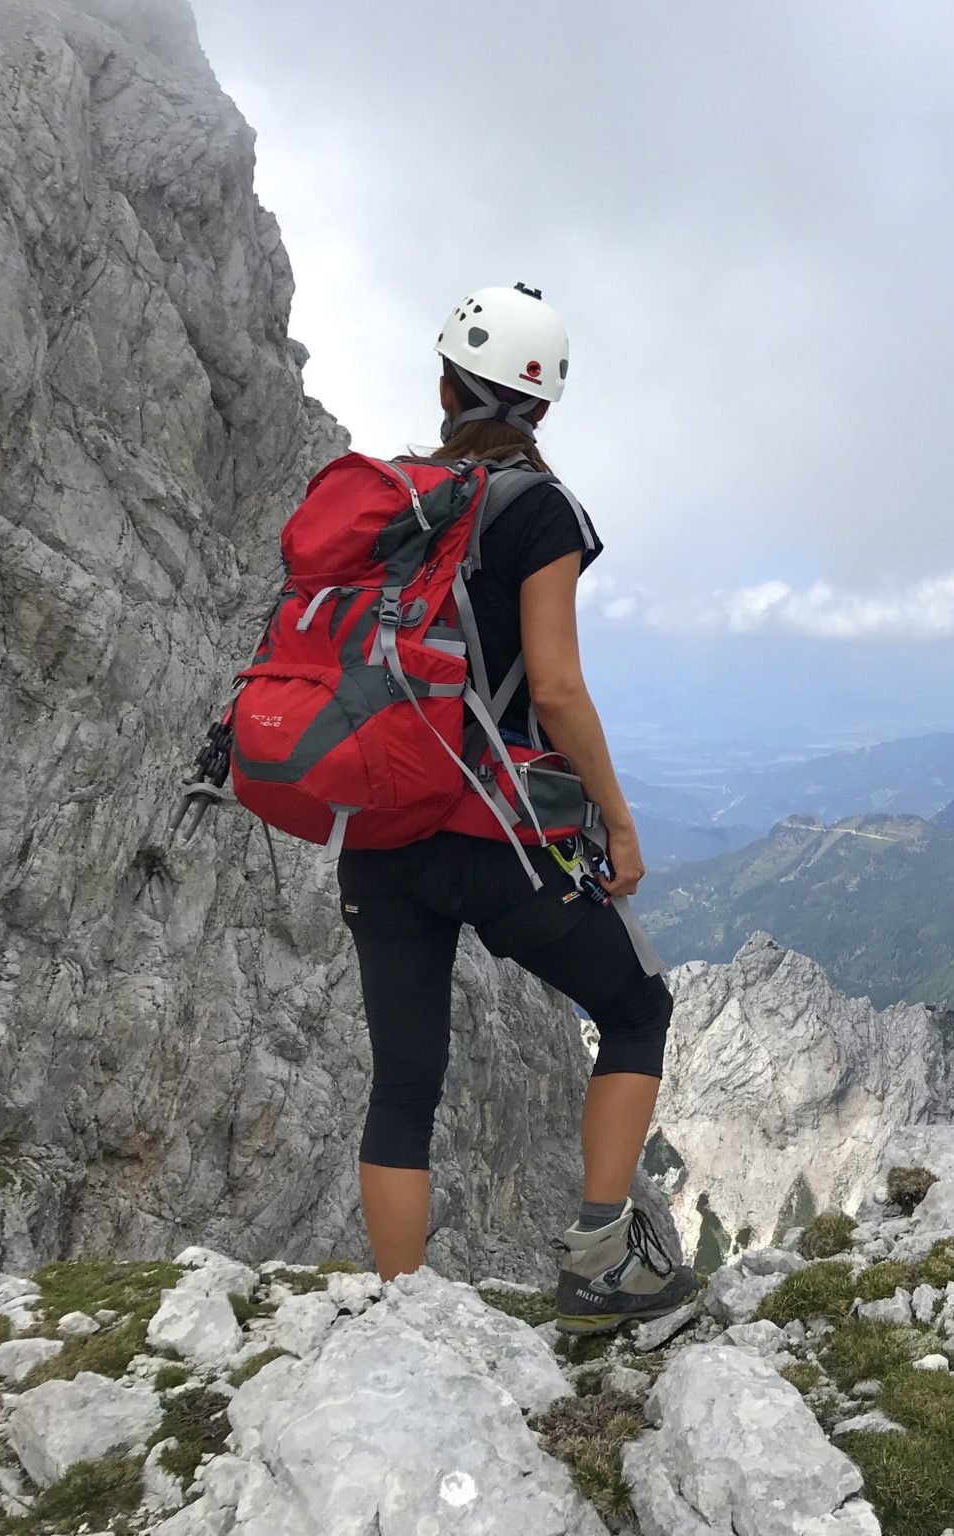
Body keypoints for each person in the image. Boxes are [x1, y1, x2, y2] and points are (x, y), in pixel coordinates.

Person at [333, 283, 694, 1331]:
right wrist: (617, 823)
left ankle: (403, 1322)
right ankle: (600, 1268)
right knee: (635, 1008)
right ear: (541, 411)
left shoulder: (386, 507)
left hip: (376, 830)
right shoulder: (537, 509)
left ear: (442, 387)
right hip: (494, 836)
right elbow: (556, 687)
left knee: (404, 1082)